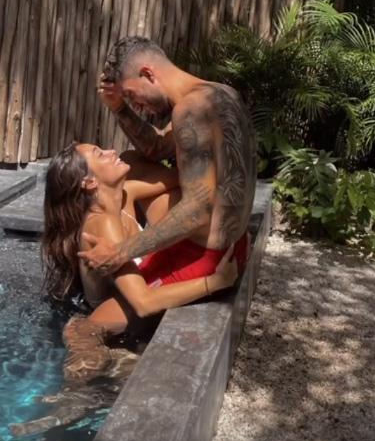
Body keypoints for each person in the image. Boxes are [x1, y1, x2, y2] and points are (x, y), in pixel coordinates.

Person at [43, 142, 238, 379]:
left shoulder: (125, 195)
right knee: (80, 400)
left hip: (129, 307)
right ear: (90, 182)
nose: (111, 151)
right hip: (92, 329)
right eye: (100, 154)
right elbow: (144, 303)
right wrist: (216, 281)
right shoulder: (102, 225)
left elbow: (188, 185)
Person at [78, 36, 258, 284]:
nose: (136, 105)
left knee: (101, 316)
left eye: (131, 94)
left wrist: (119, 252)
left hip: (207, 257)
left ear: (147, 74)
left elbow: (198, 210)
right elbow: (157, 149)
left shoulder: (191, 110)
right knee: (131, 160)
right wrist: (119, 107)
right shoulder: (218, 94)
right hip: (233, 241)